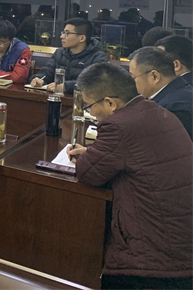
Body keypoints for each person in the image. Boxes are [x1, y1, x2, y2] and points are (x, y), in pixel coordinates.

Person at [68, 63, 192, 290]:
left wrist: (87, 156)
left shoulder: (118, 126)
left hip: (151, 260)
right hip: (181, 240)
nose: (90, 113)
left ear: (110, 103)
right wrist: (97, 153)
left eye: (90, 106)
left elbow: (88, 173)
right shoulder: (156, 110)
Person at [29, 18, 108, 93]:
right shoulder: (60, 53)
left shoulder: (98, 58)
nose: (62, 37)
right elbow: (47, 71)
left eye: (67, 33)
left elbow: (95, 82)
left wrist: (66, 86)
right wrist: (38, 79)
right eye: (63, 33)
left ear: (82, 38)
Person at [129, 47, 192, 139]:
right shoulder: (183, 92)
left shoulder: (173, 108)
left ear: (154, 76)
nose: (131, 83)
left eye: (133, 78)